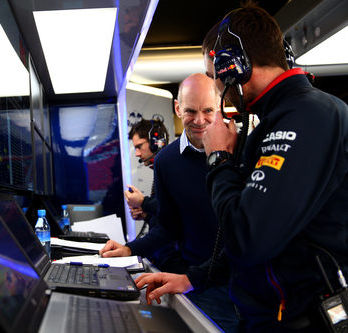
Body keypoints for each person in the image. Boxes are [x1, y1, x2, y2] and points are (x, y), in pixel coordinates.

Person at [135, 2, 348, 332]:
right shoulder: (277, 120)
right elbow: (254, 235)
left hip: (300, 321)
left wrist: (219, 159)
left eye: (214, 76)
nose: (218, 87)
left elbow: (246, 239)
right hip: (269, 316)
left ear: (233, 67)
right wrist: (192, 278)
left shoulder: (308, 116)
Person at [101, 73, 239, 332]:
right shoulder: (166, 161)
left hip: (249, 284)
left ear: (219, 104)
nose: (200, 121)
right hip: (202, 285)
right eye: (190, 111)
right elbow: (168, 226)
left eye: (208, 110)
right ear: (177, 108)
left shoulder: (241, 148)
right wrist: (130, 249)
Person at [124, 118, 178, 269]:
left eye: (139, 146)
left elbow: (175, 211)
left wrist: (143, 202)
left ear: (156, 142)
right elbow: (166, 218)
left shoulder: (174, 167)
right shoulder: (162, 169)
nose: (137, 153)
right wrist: (147, 215)